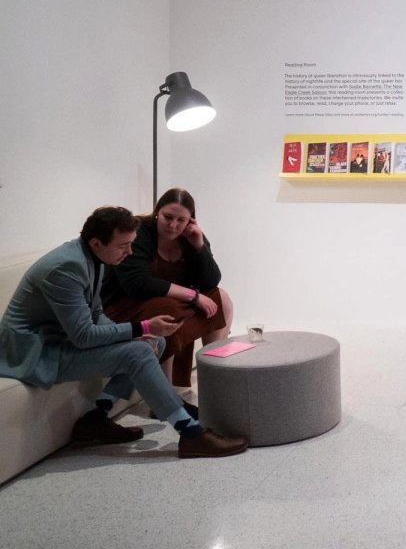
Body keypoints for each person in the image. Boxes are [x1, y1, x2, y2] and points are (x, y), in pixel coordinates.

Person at [0, 206, 247, 457]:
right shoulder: (66, 268)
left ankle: (96, 419)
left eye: (131, 244)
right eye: (123, 245)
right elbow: (83, 335)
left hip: (59, 339)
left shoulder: (92, 258)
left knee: (155, 343)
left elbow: (96, 314)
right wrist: (142, 327)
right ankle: (191, 433)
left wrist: (141, 333)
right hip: (34, 352)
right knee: (138, 351)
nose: (129, 252)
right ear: (97, 242)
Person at [102, 188, 232, 387]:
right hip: (124, 304)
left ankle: (214, 378)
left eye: (181, 220)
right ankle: (166, 390)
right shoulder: (139, 233)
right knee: (169, 309)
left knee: (221, 298)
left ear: (191, 220)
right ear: (157, 213)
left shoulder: (191, 236)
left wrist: (198, 246)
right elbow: (137, 284)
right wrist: (193, 296)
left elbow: (211, 281)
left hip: (171, 304)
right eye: (168, 217)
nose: (173, 225)